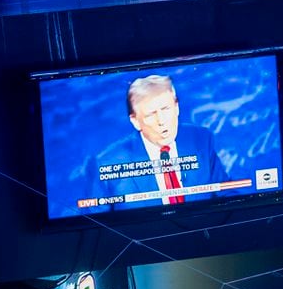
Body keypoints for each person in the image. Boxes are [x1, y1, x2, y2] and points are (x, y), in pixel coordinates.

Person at [97, 75, 228, 208]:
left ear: (177, 107)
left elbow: (227, 192)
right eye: (151, 114)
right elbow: (96, 220)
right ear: (135, 121)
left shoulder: (201, 139)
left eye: (166, 109)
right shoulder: (108, 162)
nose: (161, 121)